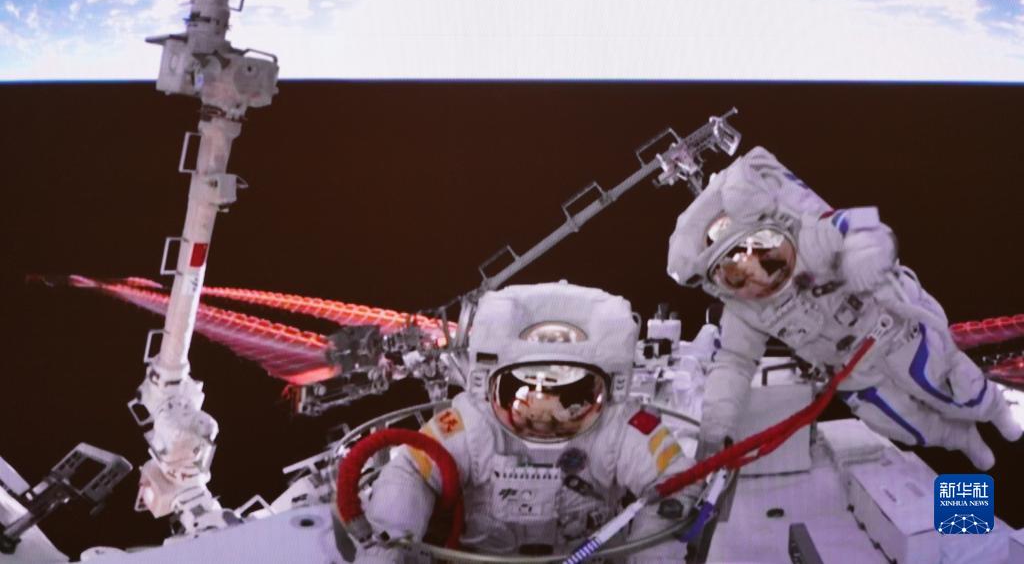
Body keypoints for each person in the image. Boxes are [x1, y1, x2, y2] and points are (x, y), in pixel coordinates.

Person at [666, 147, 1022, 469]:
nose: (758, 277)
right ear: (721, 285)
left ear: (776, 231)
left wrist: (864, 253)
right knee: (904, 425)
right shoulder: (744, 311)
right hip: (852, 374)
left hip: (895, 332)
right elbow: (733, 364)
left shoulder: (810, 239)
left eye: (764, 253)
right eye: (737, 275)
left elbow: (861, 224)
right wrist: (715, 427)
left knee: (947, 386)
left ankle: (993, 408)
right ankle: (960, 439)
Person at [358, 282, 694, 562]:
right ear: (489, 384)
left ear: (605, 388)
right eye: (527, 393)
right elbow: (411, 470)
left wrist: (652, 553)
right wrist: (388, 547)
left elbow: (674, 478)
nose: (542, 416)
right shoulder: (472, 422)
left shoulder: (617, 426)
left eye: (564, 397)